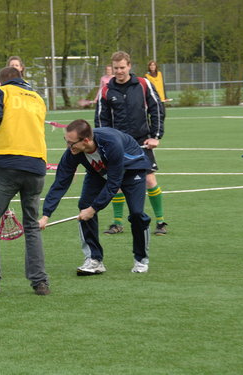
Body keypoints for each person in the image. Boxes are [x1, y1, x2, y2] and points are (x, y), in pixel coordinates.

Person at [39, 119, 152, 275]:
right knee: (84, 204)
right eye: (66, 141)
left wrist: (94, 209)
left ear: (86, 140)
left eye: (71, 143)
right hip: (98, 170)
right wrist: (46, 215)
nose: (68, 146)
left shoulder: (111, 143)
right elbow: (60, 182)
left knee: (137, 213)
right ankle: (94, 260)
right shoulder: (73, 152)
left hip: (132, 168)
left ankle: (141, 259)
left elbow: (113, 183)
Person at [0, 66, 50, 296]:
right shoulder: (38, 97)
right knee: (31, 225)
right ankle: (40, 282)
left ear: (1, 82)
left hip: (9, 163)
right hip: (37, 164)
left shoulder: (2, 92)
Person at [95, 51, 167, 236]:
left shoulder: (143, 84)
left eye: (122, 67)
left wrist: (155, 136)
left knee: (149, 180)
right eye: (116, 68)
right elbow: (101, 121)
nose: (119, 71)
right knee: (116, 182)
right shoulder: (106, 90)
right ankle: (117, 223)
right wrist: (105, 144)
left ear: (129, 66)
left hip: (141, 141)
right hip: (118, 144)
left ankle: (160, 222)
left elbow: (156, 108)